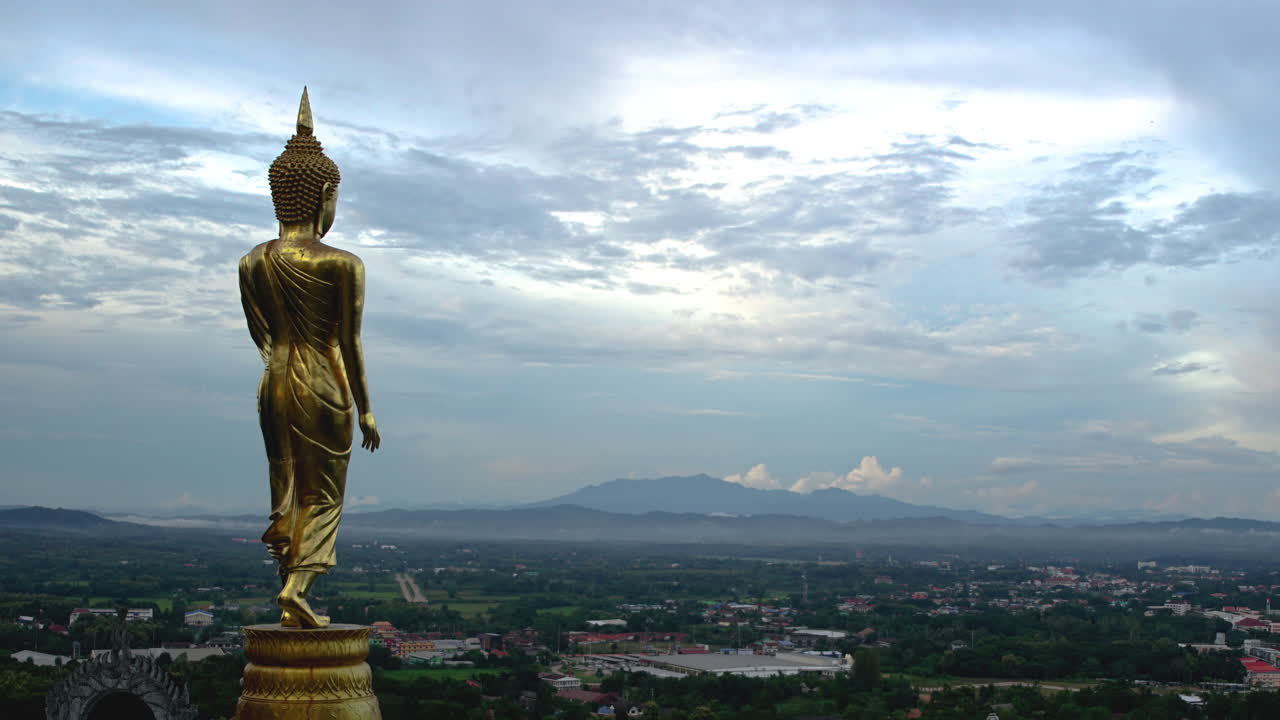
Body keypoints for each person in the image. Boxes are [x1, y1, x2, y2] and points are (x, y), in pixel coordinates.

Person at [239, 88, 380, 628]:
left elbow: (262, 334)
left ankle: (288, 592)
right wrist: (365, 407)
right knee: (322, 494)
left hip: (272, 383)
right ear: (324, 193)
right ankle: (297, 588)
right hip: (322, 381)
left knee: (285, 484)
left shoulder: (253, 261)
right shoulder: (343, 264)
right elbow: (349, 342)